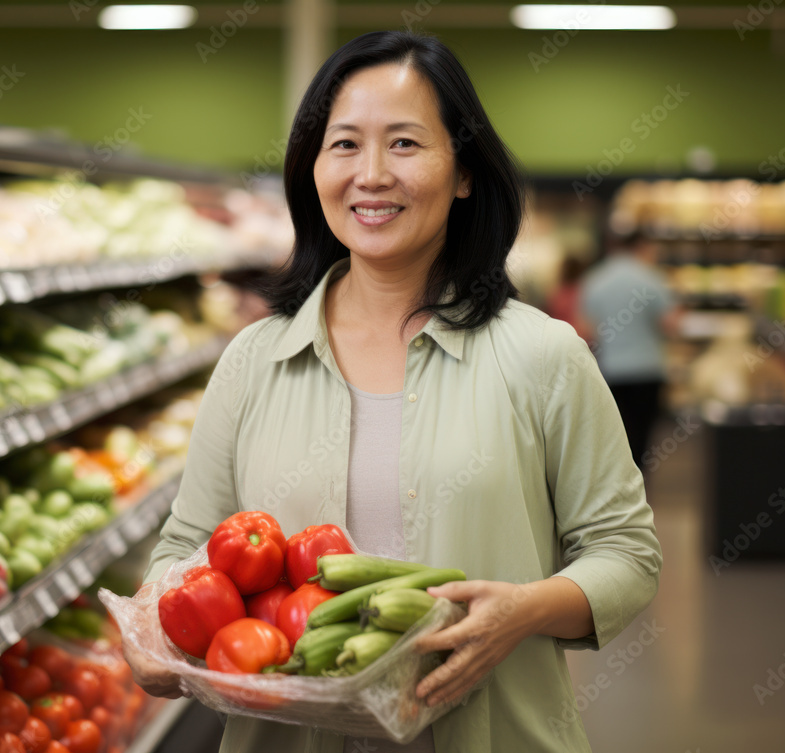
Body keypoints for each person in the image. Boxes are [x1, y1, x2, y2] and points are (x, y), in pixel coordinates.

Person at [125, 30, 662, 753]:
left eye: (404, 144)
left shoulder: (544, 356)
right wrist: (158, 623)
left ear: (464, 171)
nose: (371, 174)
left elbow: (625, 551)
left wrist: (525, 611)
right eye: (344, 144)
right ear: (312, 170)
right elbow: (188, 544)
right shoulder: (253, 360)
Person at [580, 232, 681, 470]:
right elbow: (671, 324)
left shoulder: (595, 279)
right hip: (647, 371)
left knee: (614, 437)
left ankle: (617, 486)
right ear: (642, 247)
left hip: (609, 371)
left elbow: (585, 330)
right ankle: (640, 490)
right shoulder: (652, 278)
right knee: (642, 439)